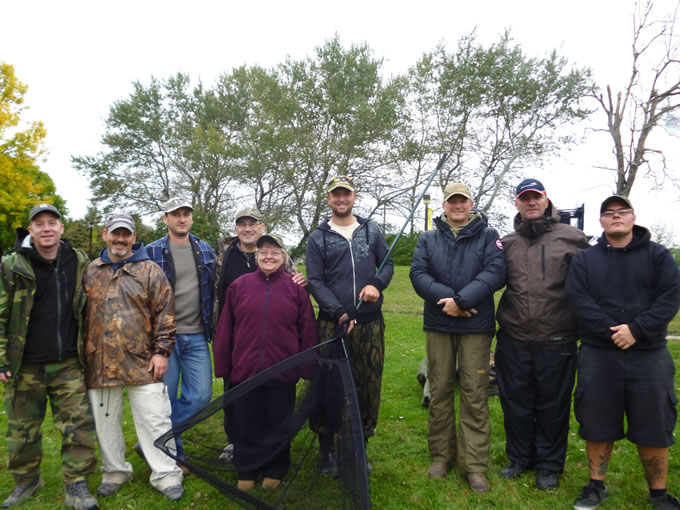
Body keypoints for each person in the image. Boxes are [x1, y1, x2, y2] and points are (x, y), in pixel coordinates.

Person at [566, 195, 680, 510]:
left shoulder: (658, 256)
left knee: (654, 424)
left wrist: (638, 330)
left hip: (649, 355)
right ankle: (595, 486)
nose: (616, 216)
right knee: (597, 422)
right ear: (601, 222)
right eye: (609, 213)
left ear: (633, 217)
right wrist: (613, 331)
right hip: (599, 353)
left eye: (622, 211)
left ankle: (659, 492)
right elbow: (578, 298)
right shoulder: (585, 259)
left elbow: (669, 297)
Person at [0, 204, 99, 509]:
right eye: (39, 223)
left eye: (51, 222)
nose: (46, 228)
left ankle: (77, 484)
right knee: (22, 430)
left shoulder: (78, 260)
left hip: (67, 361)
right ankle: (26, 481)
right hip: (23, 364)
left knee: (77, 425)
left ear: (61, 228)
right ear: (30, 229)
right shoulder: (12, 264)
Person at [409, 183, 506, 493]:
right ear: (445, 204)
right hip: (439, 323)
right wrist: (450, 301)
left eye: (462, 200)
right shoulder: (428, 238)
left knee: (474, 393)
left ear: (471, 203)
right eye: (452, 201)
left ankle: (474, 465)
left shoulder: (489, 236)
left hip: (475, 326)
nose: (458, 206)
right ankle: (441, 456)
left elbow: (495, 272)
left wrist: (463, 301)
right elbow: (418, 274)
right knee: (438, 389)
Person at [495, 178, 589, 490]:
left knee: (553, 405)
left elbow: (591, 283)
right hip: (515, 337)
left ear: (546, 200)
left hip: (557, 339)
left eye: (536, 197)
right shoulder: (507, 243)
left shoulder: (573, 238)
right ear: (517, 204)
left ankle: (549, 464)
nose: (531, 202)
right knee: (516, 403)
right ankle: (520, 458)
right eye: (525, 198)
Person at [83, 213, 184, 501]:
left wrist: (162, 351)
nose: (120, 239)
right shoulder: (91, 270)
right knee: (106, 423)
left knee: (155, 419)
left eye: (126, 234)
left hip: (143, 361)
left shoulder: (150, 270)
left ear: (133, 237)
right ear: (105, 234)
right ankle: (114, 471)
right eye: (115, 233)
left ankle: (166, 474)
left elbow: (166, 312)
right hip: (101, 363)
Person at [213, 234, 317, 492]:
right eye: (263, 252)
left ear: (283, 257)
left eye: (274, 252)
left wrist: (305, 367)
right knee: (246, 422)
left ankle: (275, 468)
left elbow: (308, 331)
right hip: (245, 371)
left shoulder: (296, 290)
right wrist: (224, 365)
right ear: (256, 257)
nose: (269, 256)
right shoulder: (239, 286)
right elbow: (226, 328)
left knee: (278, 423)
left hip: (282, 371)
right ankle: (246, 469)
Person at [306, 175, 394, 474]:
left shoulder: (371, 230)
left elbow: (388, 264)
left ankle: (359, 447)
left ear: (354, 197)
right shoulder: (318, 237)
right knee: (328, 385)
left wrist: (376, 284)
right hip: (333, 325)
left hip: (369, 324)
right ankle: (327, 449)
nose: (341, 199)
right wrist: (338, 311)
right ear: (328, 199)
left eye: (346, 194)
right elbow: (315, 280)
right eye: (335, 194)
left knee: (367, 385)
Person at [146, 198, 215, 468]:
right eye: (176, 215)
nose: (182, 219)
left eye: (186, 214)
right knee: (165, 399)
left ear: (192, 218)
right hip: (165, 338)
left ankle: (154, 439)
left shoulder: (205, 249)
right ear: (166, 219)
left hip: (197, 335)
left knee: (200, 396)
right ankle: (176, 455)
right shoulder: (152, 252)